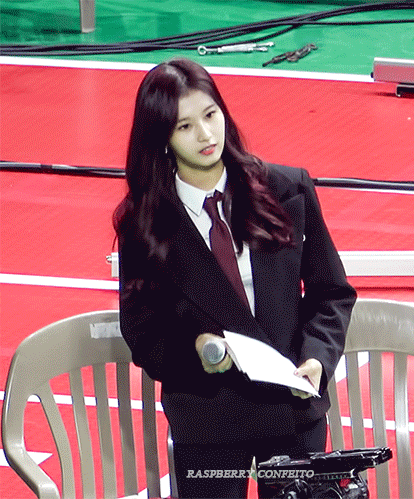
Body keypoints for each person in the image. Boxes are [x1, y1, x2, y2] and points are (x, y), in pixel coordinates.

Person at [114, 58, 357, 499]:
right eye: (185, 126)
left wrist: (317, 359)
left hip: (293, 410)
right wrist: (196, 353)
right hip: (207, 418)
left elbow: (331, 293)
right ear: (162, 138)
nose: (206, 135)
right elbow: (143, 332)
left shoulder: (288, 189)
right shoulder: (143, 222)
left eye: (210, 115)